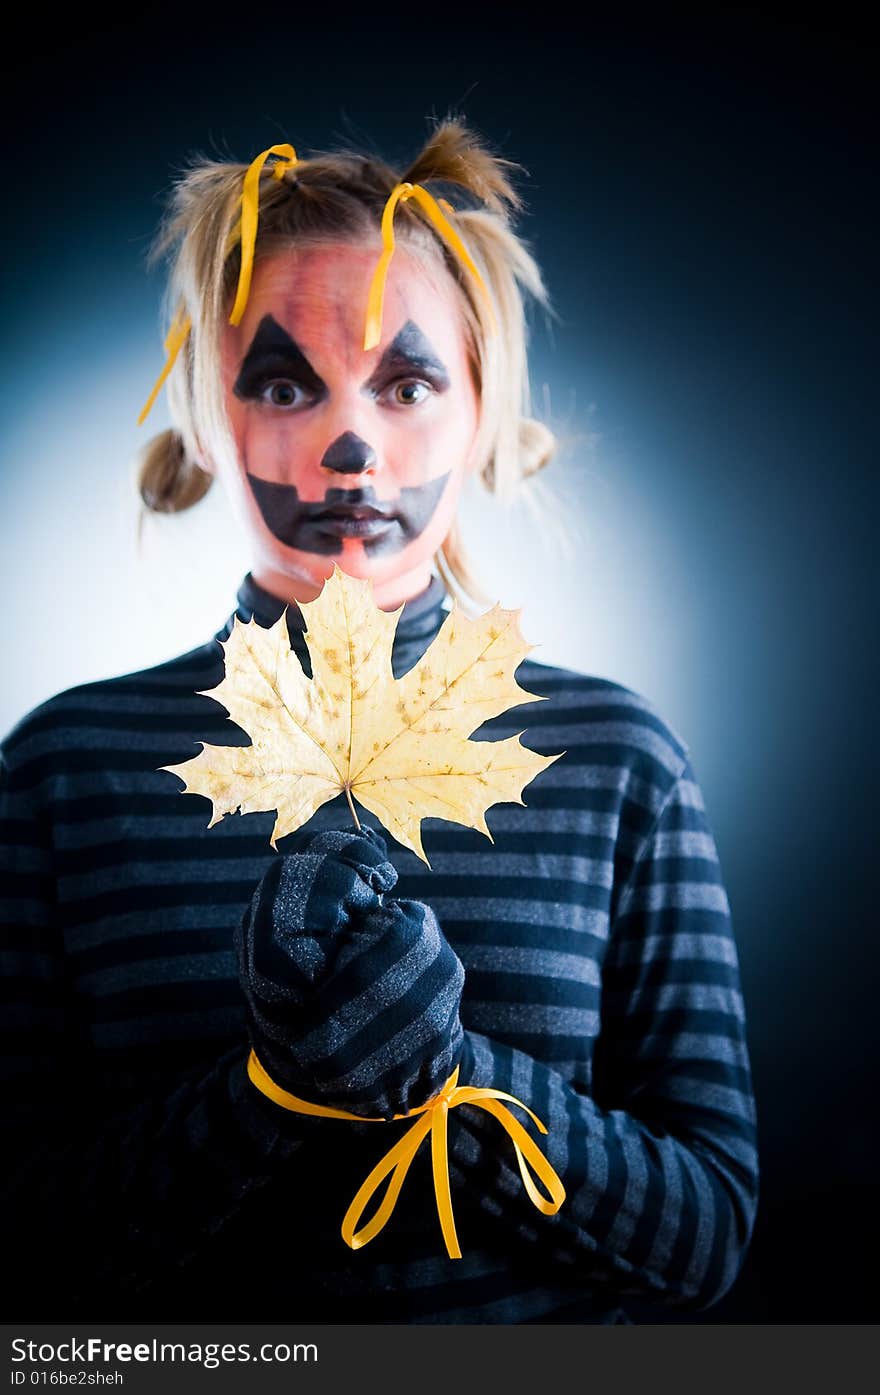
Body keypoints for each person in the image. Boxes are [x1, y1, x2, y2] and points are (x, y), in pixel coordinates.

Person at [0, 117, 759, 1324]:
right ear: (210, 417)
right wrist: (268, 1092)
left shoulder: (619, 761)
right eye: (287, 383)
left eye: (406, 384)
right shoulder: (60, 773)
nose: (352, 449)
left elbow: (707, 1231)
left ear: (477, 413)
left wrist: (456, 1075)